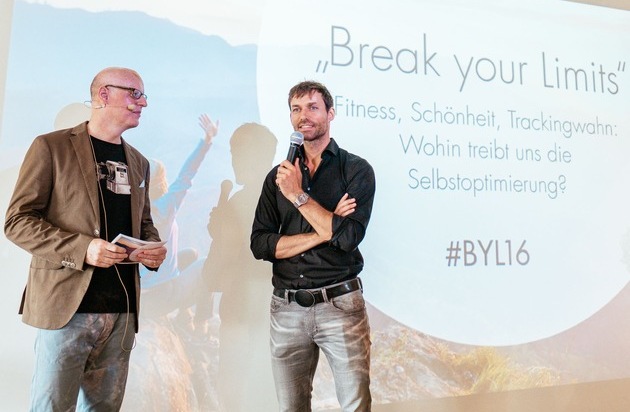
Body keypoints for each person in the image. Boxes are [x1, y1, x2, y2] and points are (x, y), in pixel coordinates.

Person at [4, 66, 166, 411]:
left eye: (143, 95)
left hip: (121, 312)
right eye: (134, 94)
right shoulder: (51, 147)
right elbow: (17, 222)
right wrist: (83, 249)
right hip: (66, 308)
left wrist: (151, 248)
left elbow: (144, 225)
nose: (143, 103)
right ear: (103, 94)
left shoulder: (139, 162)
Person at [250, 80, 376, 411]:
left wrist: (297, 195)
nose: (303, 116)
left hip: (340, 304)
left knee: (355, 405)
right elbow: (261, 244)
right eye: (296, 109)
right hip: (287, 307)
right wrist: (327, 227)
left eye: (312, 107)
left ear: (330, 113)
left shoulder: (356, 170)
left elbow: (347, 239)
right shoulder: (277, 177)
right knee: (291, 408)